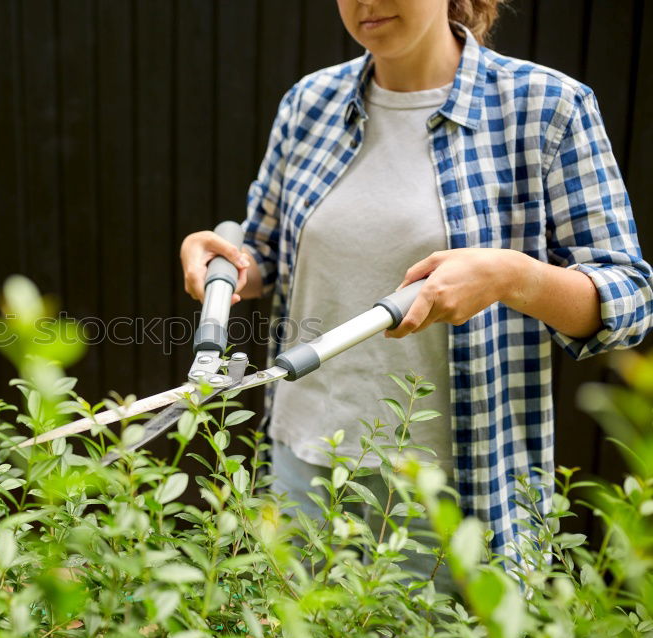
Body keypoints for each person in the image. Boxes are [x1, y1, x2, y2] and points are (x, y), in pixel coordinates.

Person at [179, 0, 653, 588]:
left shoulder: (546, 107)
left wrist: (511, 275)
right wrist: (226, 262)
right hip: (302, 457)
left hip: (452, 482)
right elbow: (267, 254)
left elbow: (627, 300)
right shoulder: (309, 102)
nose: (366, 4)